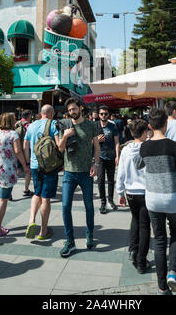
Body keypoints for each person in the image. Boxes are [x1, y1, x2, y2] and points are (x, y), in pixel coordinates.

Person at [134, 108, 176, 295]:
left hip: (153, 199)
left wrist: (143, 142)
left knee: (158, 241)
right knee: (175, 235)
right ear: (166, 124)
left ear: (149, 126)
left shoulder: (145, 147)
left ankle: (162, 287)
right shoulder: (175, 147)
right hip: (173, 197)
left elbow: (137, 164)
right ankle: (173, 272)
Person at [58, 98, 100, 257]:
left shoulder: (91, 125)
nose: (72, 112)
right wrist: (65, 136)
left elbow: (96, 147)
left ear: (80, 108)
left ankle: (90, 235)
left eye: (74, 109)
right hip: (69, 173)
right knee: (65, 206)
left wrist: (95, 164)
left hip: (86, 172)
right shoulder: (65, 125)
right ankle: (70, 241)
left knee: (89, 206)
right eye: (69, 110)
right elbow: (60, 149)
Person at [0, 113, 29, 238]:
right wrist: (24, 165)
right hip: (6, 172)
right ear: (11, 121)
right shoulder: (13, 134)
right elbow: (18, 151)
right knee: (3, 198)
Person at [116, 119, 151, 274]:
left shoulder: (126, 149)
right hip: (146, 192)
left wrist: (119, 192)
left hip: (130, 192)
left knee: (135, 220)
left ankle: (133, 250)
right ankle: (141, 261)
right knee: (144, 226)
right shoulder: (149, 148)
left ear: (131, 133)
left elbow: (121, 173)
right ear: (144, 133)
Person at [23, 105, 60, 240]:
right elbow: (58, 143)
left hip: (34, 165)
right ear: (50, 113)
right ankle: (43, 231)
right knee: (46, 198)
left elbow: (25, 145)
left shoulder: (31, 125)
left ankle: (31, 220)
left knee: (36, 193)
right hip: (49, 166)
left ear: (41, 113)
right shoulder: (53, 124)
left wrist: (27, 162)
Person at [97, 105, 120, 214]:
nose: (104, 115)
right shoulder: (95, 126)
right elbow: (89, 142)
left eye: (105, 114)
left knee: (111, 180)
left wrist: (117, 156)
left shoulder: (113, 126)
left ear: (108, 114)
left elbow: (117, 142)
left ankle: (110, 199)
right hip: (100, 156)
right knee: (100, 179)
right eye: (102, 113)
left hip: (111, 156)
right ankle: (103, 201)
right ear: (99, 114)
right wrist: (96, 140)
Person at [15, 110, 34, 197]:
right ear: (28, 116)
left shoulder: (16, 124)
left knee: (17, 170)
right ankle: (26, 189)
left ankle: (10, 190)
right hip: (26, 151)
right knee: (28, 170)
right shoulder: (29, 125)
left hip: (16, 150)